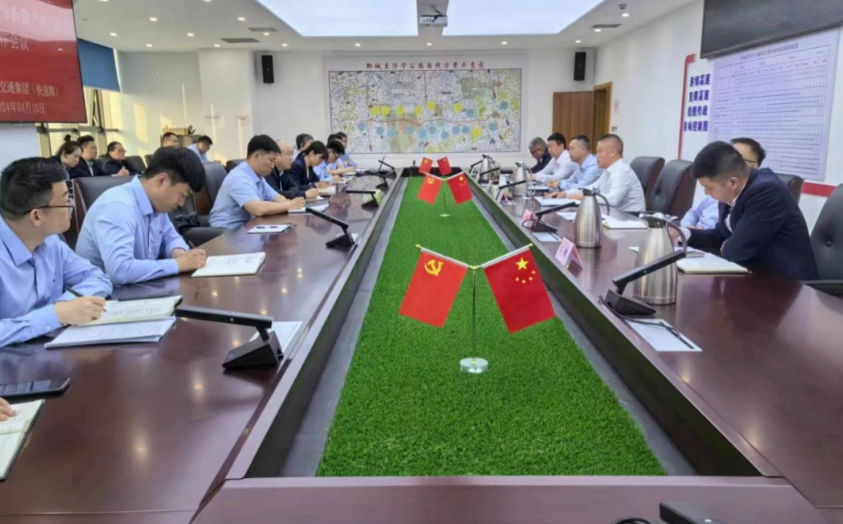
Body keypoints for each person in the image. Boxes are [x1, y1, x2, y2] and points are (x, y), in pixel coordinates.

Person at [0, 158, 112, 348]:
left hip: (49, 349)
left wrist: (63, 307)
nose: (72, 205)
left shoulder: (49, 241)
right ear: (37, 216)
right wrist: (55, 315)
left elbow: (98, 278)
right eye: (66, 200)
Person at [676, 141, 817, 280]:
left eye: (709, 187)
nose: (706, 193)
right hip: (753, 276)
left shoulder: (767, 192)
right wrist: (681, 234)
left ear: (732, 182)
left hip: (787, 284)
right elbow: (720, 235)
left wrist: (726, 245)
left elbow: (737, 251)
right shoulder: (731, 190)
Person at [75, 148, 209, 286]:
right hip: (101, 294)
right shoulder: (118, 206)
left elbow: (170, 237)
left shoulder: (157, 205)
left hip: (135, 288)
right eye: (182, 195)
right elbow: (119, 271)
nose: (181, 203)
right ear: (162, 180)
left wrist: (178, 252)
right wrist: (177, 264)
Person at [209, 135, 305, 229]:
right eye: (271, 160)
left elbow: (277, 197)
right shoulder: (239, 177)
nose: (273, 166)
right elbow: (257, 209)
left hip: (247, 227)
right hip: (227, 232)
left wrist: (291, 204)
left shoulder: (258, 177)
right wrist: (289, 205)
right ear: (257, 156)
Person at [549, 134, 645, 213]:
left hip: (630, 221)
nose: (596, 156)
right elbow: (592, 187)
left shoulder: (621, 171)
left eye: (600, 152)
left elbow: (613, 199)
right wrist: (566, 193)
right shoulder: (610, 170)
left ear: (612, 152)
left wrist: (584, 196)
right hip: (615, 216)